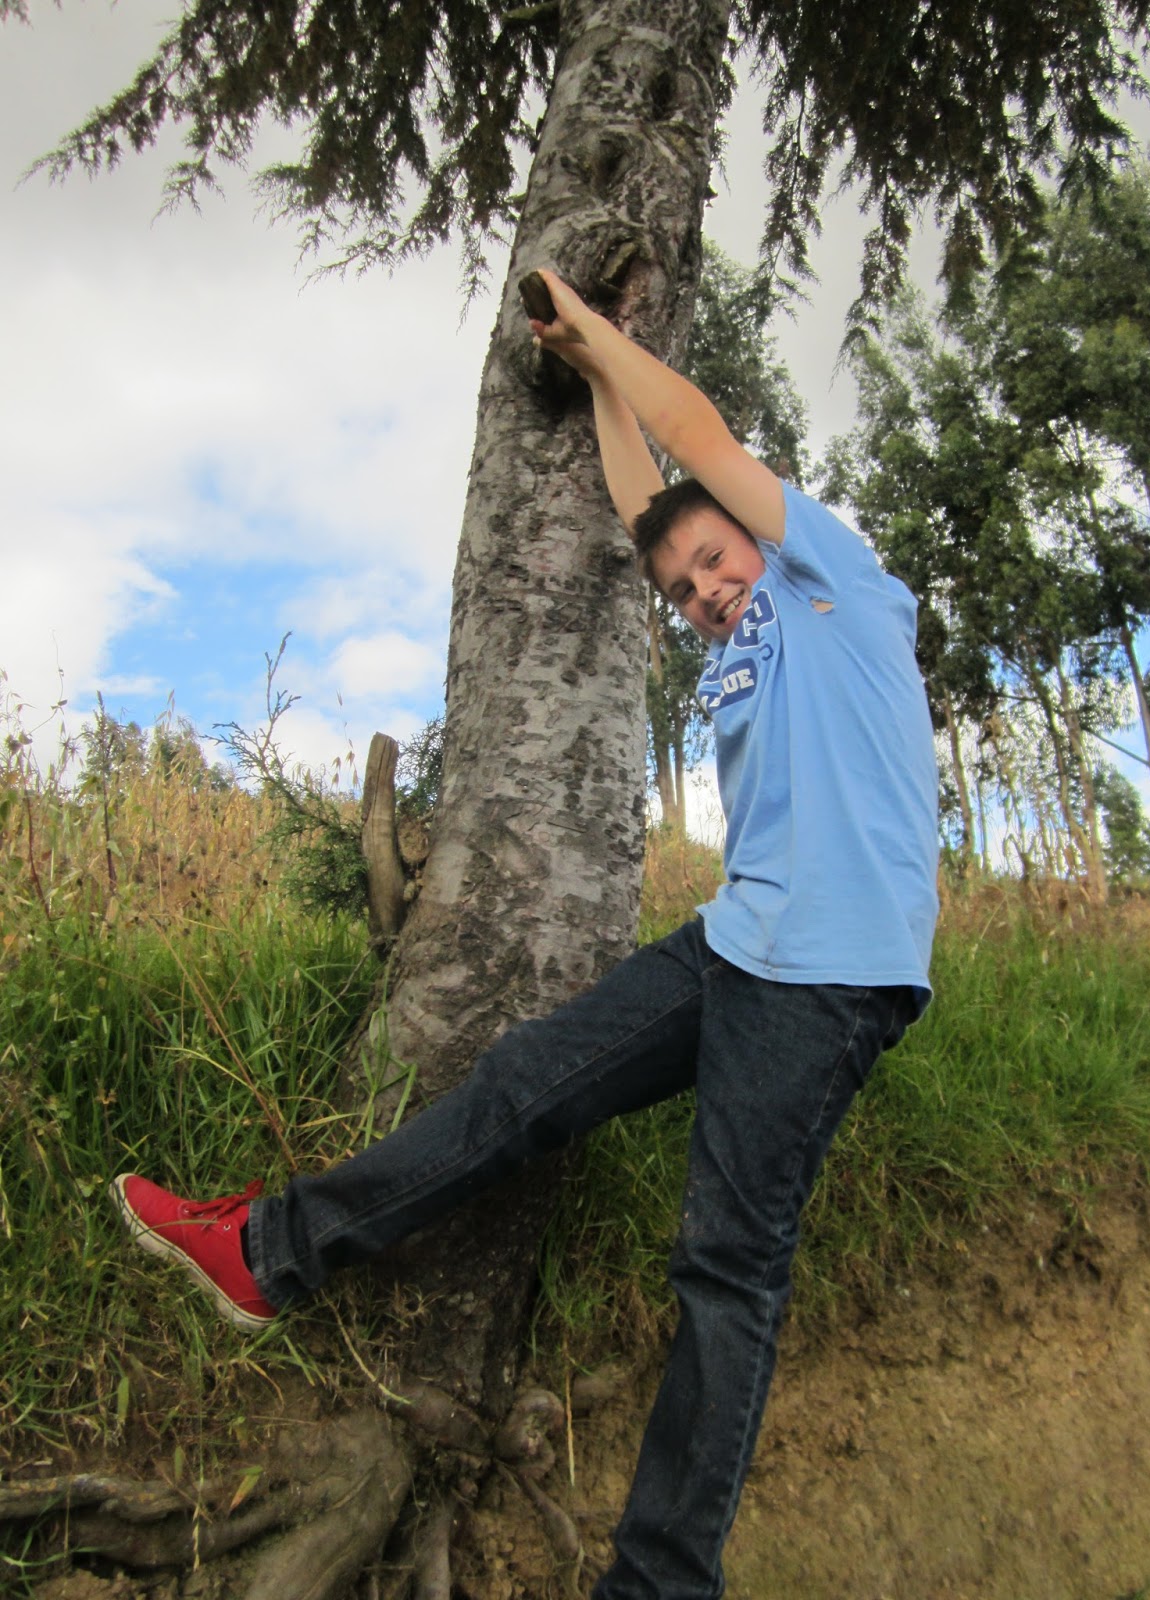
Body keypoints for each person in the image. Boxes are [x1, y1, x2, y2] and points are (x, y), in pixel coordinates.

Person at [112, 268, 940, 1600]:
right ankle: (270, 1254)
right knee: (519, 1083)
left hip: (830, 973)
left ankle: (657, 1584)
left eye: (717, 559)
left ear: (763, 535)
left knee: (726, 1270)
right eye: (682, 587)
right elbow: (645, 500)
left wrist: (607, 333)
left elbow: (698, 444)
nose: (704, 588)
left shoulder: (836, 584)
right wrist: (594, 371)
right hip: (741, 941)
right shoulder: (727, 626)